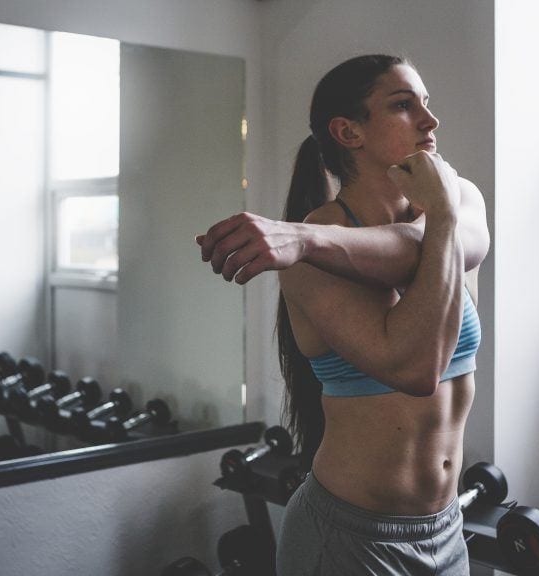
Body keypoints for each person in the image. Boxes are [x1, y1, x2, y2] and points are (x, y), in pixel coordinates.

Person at [197, 55, 489, 575]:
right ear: (348, 132)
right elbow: (416, 370)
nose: (429, 120)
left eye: (427, 102)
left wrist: (306, 239)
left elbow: (419, 249)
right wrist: (437, 216)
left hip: (446, 527)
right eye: (404, 105)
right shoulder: (319, 256)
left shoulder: (457, 202)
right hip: (350, 538)